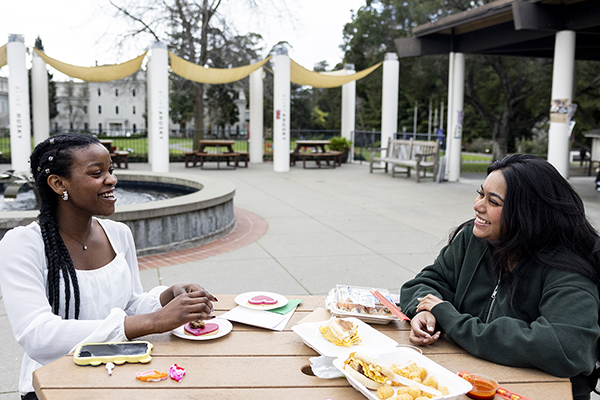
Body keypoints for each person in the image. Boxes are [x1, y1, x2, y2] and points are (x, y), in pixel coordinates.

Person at [0, 133, 217, 399]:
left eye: (110, 170)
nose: (112, 179)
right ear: (58, 184)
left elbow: (129, 304)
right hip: (55, 382)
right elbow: (37, 335)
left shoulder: (118, 234)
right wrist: (152, 321)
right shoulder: (23, 244)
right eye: (96, 173)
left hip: (120, 373)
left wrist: (165, 298)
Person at [400, 154, 600, 400]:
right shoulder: (474, 239)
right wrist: (425, 312)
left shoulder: (568, 266)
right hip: (465, 381)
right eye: (480, 193)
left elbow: (565, 348)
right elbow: (426, 282)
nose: (477, 205)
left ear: (527, 213)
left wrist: (451, 319)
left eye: (493, 202)